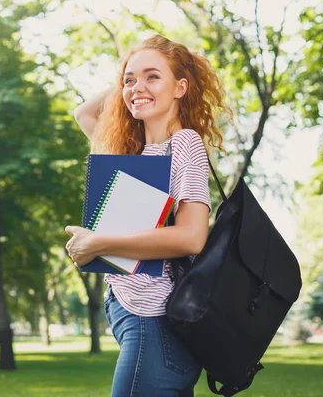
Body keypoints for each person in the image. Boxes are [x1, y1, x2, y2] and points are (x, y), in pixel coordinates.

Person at [65, 34, 230, 397]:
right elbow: (84, 113)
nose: (137, 86)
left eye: (154, 77)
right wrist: (136, 79)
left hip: (154, 323)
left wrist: (99, 243)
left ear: (181, 87)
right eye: (130, 79)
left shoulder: (184, 144)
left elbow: (192, 237)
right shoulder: (135, 153)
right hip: (134, 318)